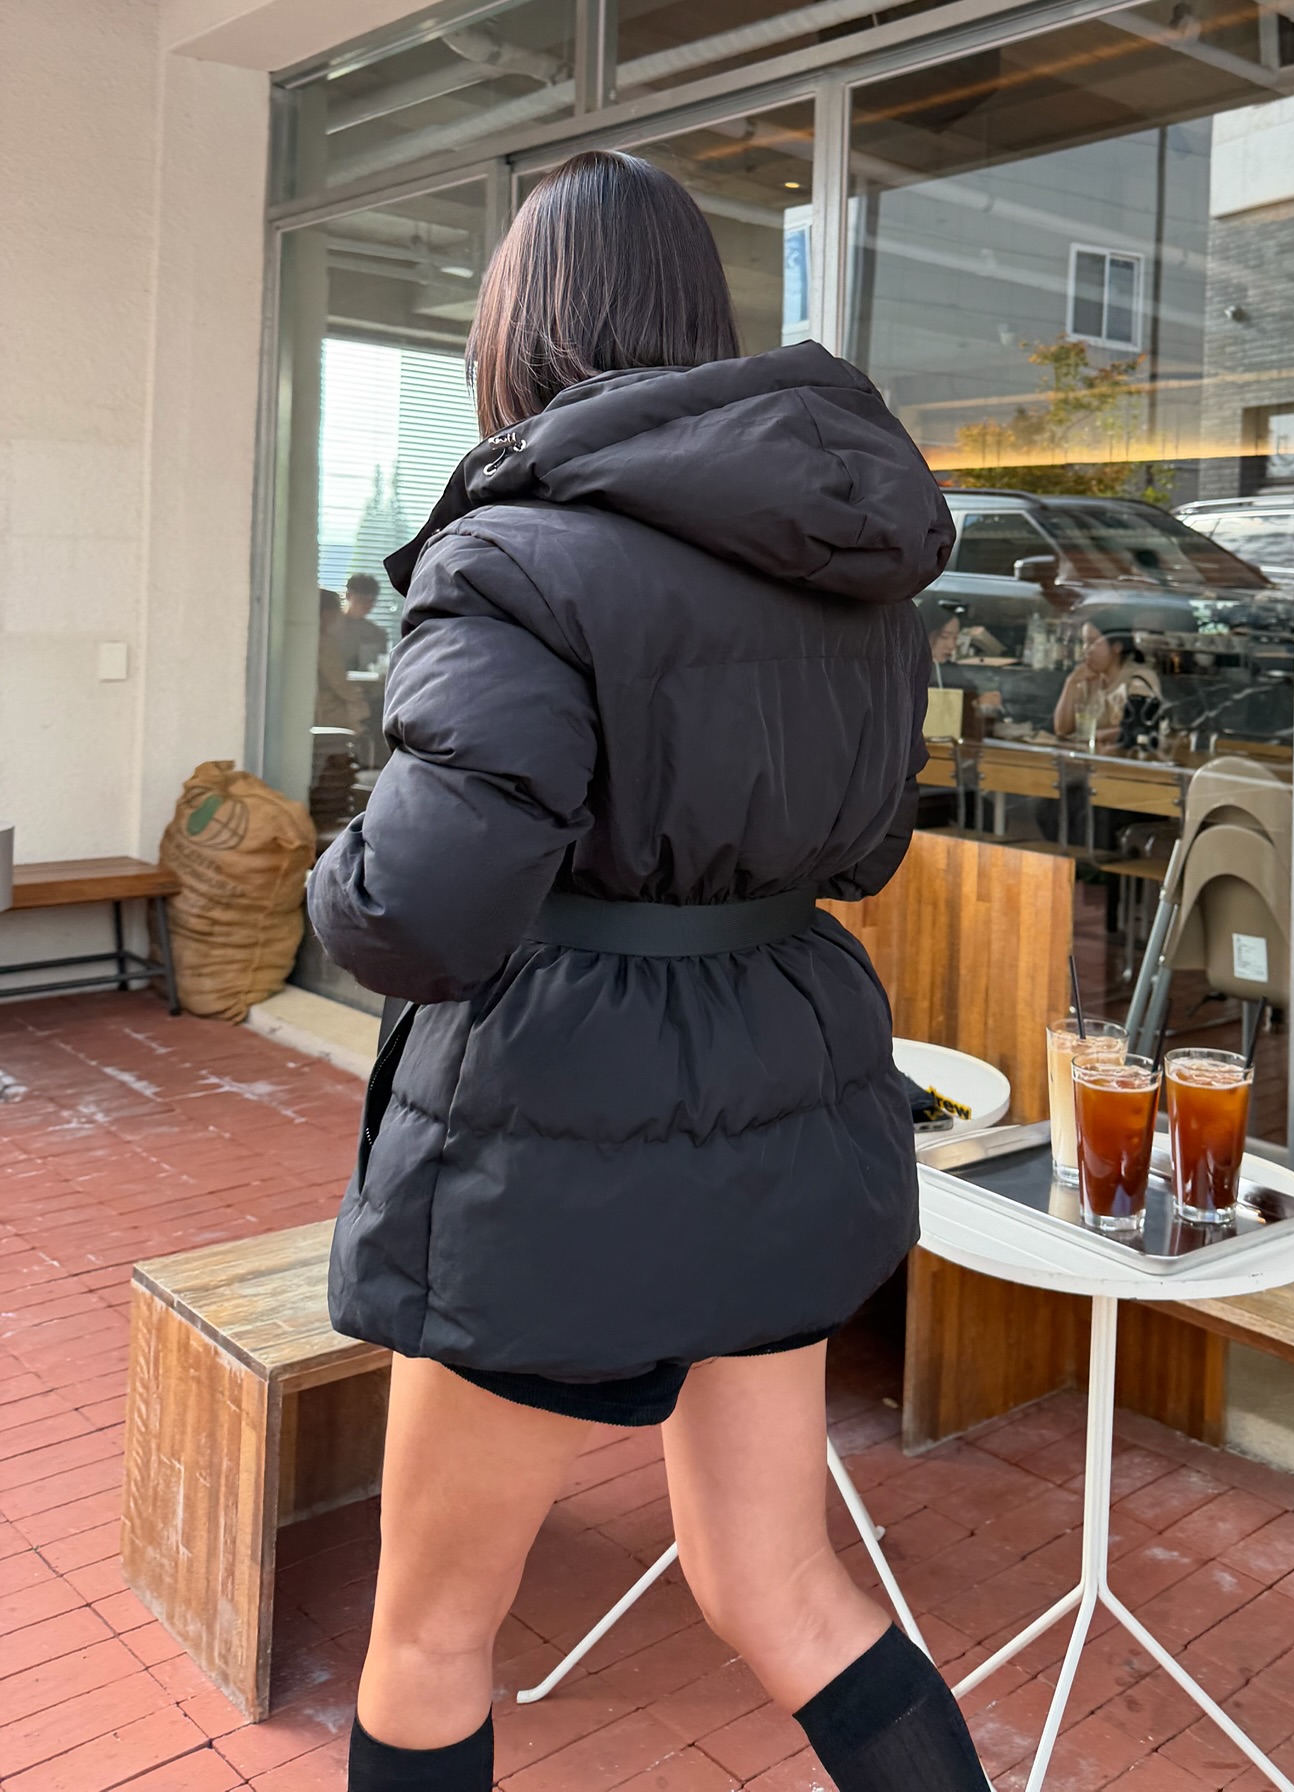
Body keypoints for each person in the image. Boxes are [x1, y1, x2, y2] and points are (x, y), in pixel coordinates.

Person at [308, 150, 987, 1792]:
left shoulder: (513, 554)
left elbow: (417, 910)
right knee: (780, 1585)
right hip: (779, 1100)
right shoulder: (841, 571)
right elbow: (864, 852)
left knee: (429, 1636)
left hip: (562, 1136)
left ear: (520, 325)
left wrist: (337, 861)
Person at [1052, 621, 1163, 752]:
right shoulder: (1086, 679)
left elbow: (1139, 729)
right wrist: (1070, 683)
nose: (1085, 650)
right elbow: (1062, 730)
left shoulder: (1140, 678)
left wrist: (1095, 736)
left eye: (1092, 642)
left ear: (1116, 647)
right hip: (1089, 757)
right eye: (1084, 642)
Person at [315, 587, 357, 727]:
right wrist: (360, 698)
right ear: (327, 614)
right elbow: (340, 685)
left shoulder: (307, 639)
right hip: (327, 709)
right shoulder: (325, 643)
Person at [336, 572, 390, 673]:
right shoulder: (330, 627)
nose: (367, 605)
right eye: (362, 599)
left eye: (371, 601)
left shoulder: (378, 634)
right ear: (348, 595)